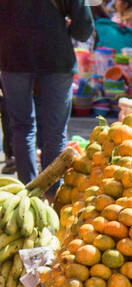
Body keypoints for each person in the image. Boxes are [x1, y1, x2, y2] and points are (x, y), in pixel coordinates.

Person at [0, 0, 94, 187]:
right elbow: (83, 30)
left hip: (13, 57)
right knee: (55, 131)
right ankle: (52, 195)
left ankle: (28, 192)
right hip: (56, 57)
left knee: (22, 128)